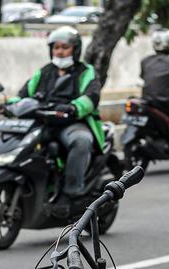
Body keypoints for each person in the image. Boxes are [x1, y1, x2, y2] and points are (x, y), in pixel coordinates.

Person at [7, 26, 104, 214]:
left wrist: (74, 107)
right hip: (44, 121)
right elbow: (23, 94)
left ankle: (70, 192)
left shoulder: (85, 71)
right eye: (56, 47)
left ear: (75, 50)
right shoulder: (44, 72)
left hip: (72, 123)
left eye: (64, 47)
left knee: (81, 141)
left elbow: (91, 97)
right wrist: (9, 105)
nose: (59, 51)